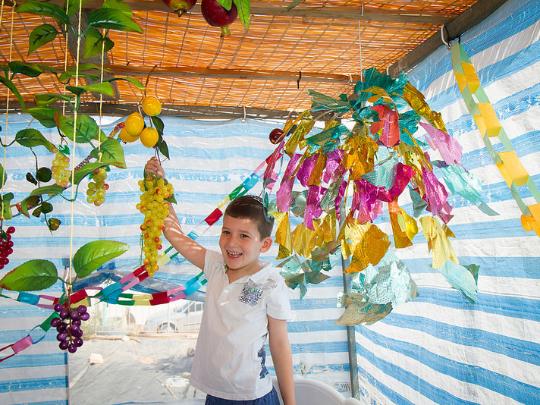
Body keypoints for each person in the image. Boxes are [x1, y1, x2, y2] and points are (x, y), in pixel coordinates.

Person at [145, 157, 296, 405]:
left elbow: (280, 345)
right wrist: (158, 185)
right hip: (215, 396)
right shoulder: (215, 265)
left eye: (244, 236)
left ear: (265, 244)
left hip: (254, 396)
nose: (231, 243)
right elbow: (174, 233)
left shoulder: (271, 282)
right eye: (226, 232)